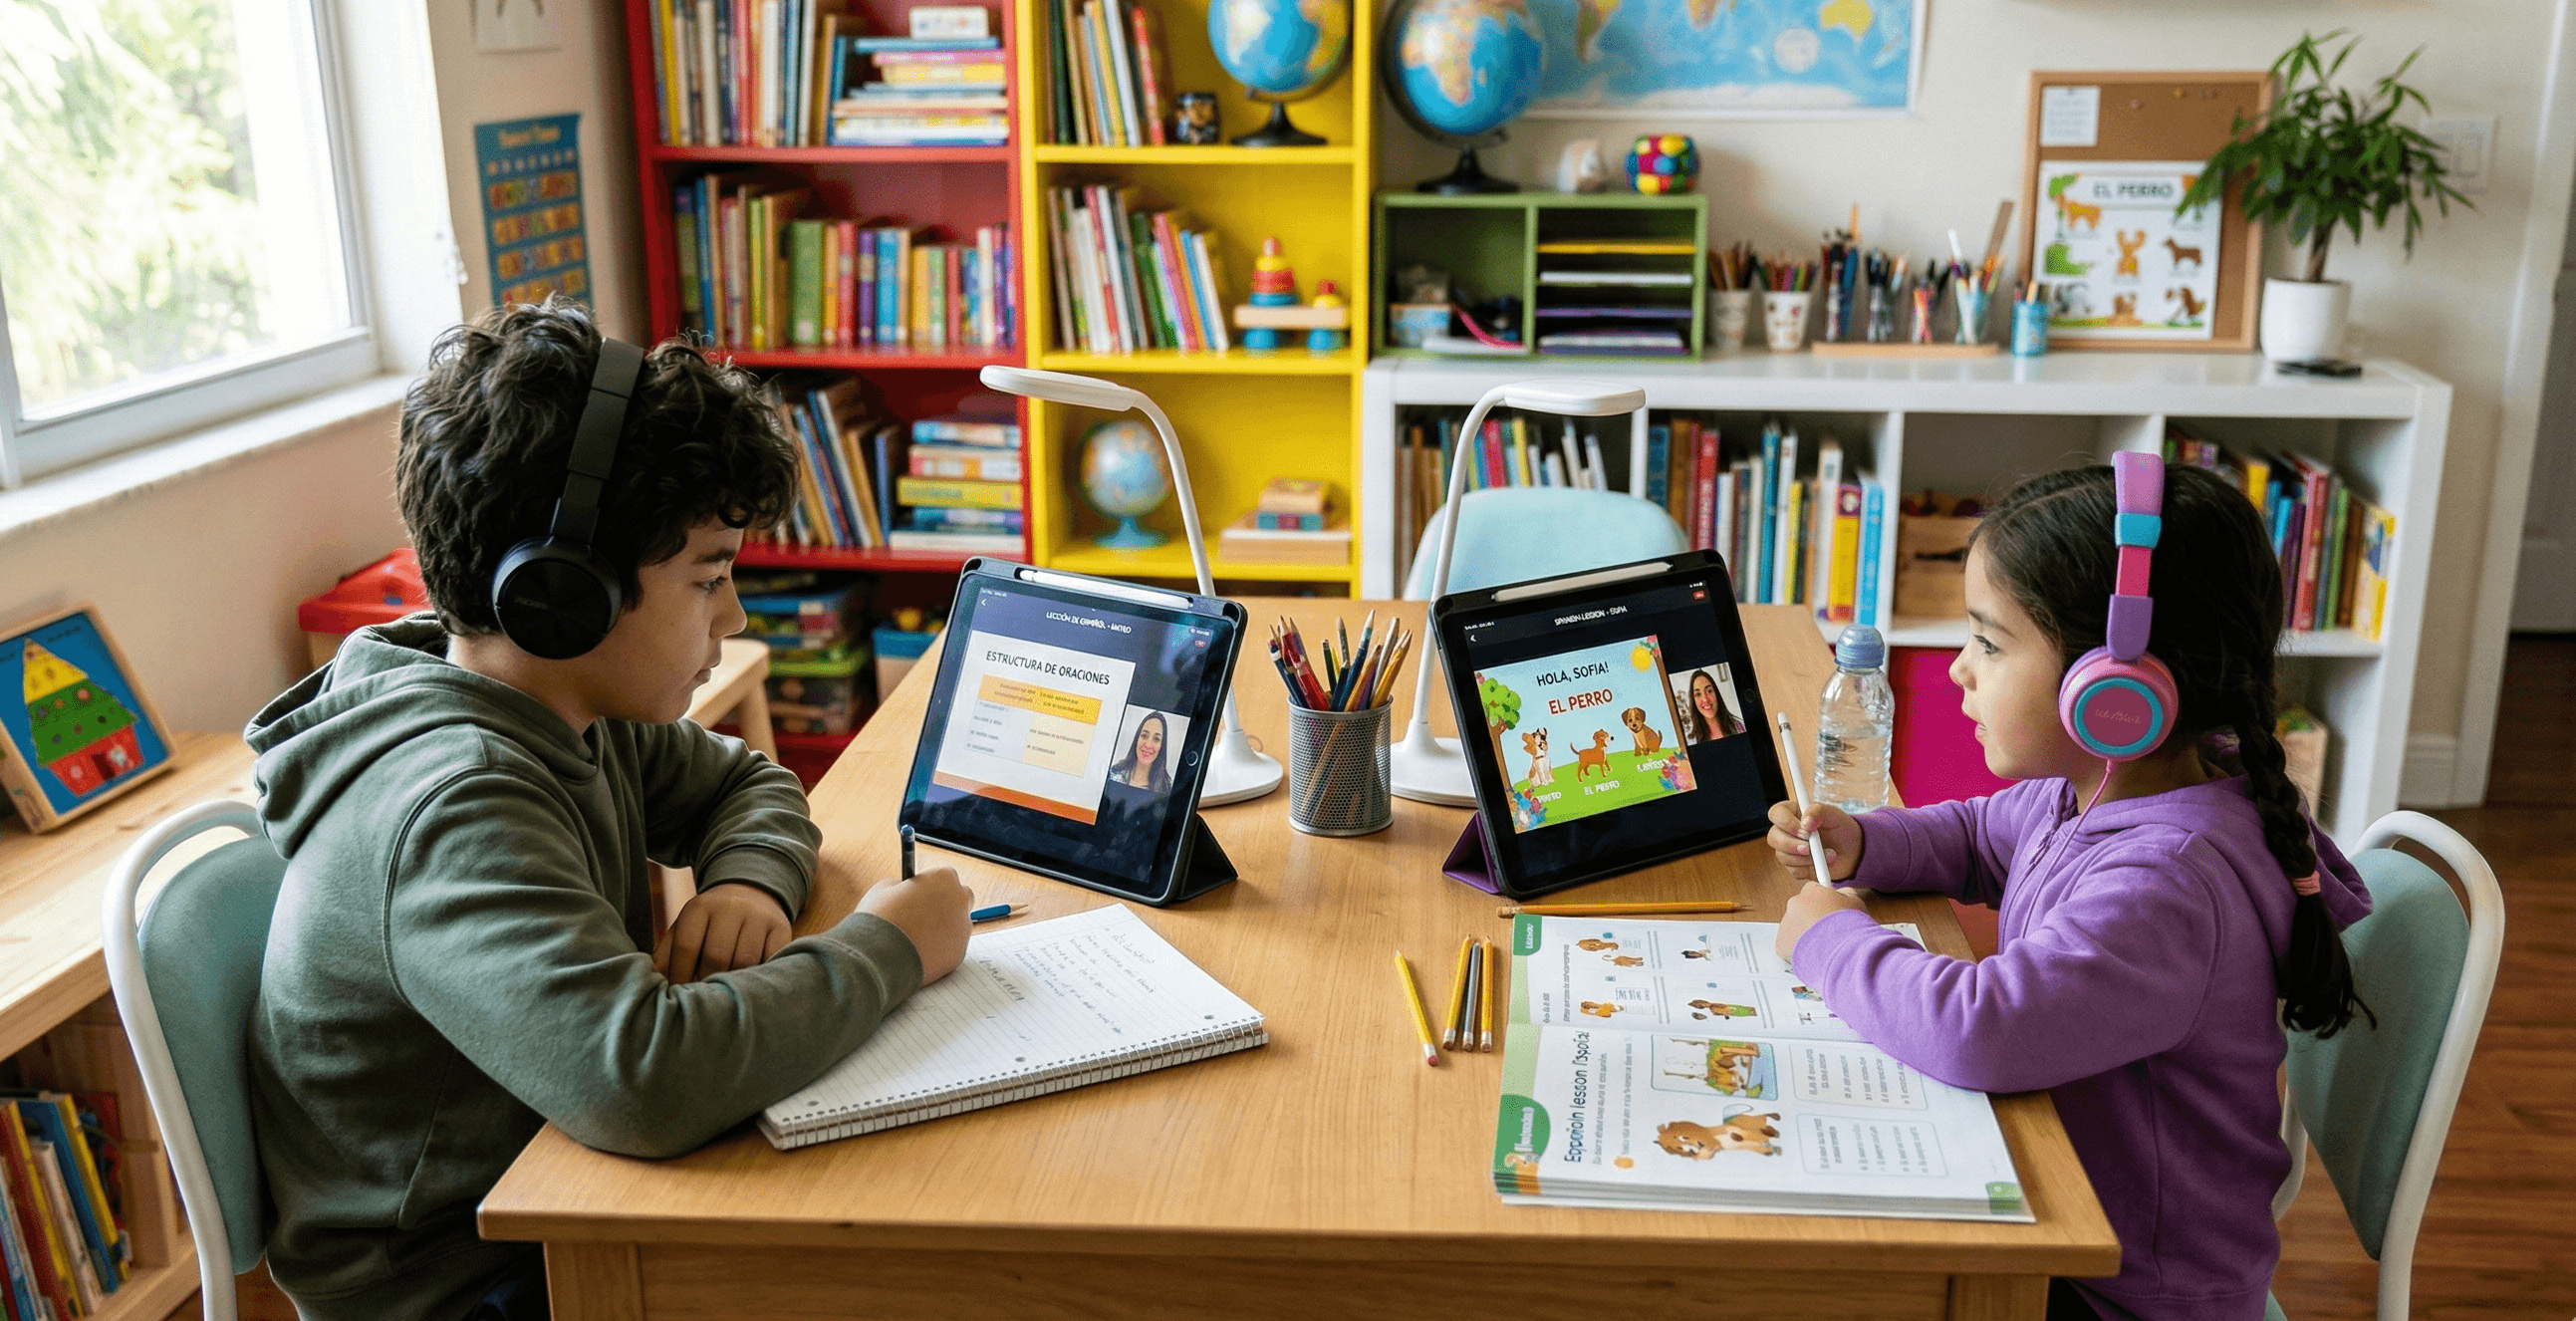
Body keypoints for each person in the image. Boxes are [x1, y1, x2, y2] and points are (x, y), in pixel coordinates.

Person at [244, 300, 975, 1321]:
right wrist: (889, 949)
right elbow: (643, 1079)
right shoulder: (453, 799)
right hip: (463, 1283)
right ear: (561, 594)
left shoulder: (565, 704)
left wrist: (747, 880)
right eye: (708, 578)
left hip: (552, 1196)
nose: (732, 617)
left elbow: (745, 781)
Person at [1763, 462, 2372, 1321]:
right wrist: (1863, 841)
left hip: (2121, 1292)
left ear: (2115, 692)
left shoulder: (2166, 885)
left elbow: (1979, 1027)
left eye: (1990, 642)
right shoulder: (2097, 788)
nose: (1956, 673)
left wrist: (1831, 938)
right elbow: (1977, 835)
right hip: (2067, 1214)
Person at [1109, 710, 1173, 795]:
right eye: (1144, 736)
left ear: (1162, 746)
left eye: (1156, 739)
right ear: (1137, 739)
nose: (1148, 745)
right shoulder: (1113, 775)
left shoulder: (1168, 789)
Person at [1681, 666, 1742, 742]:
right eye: (1698, 694)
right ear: (1694, 702)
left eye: (1709, 691)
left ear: (1716, 694)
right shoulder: (1690, 741)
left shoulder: (1737, 727)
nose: (1705, 699)